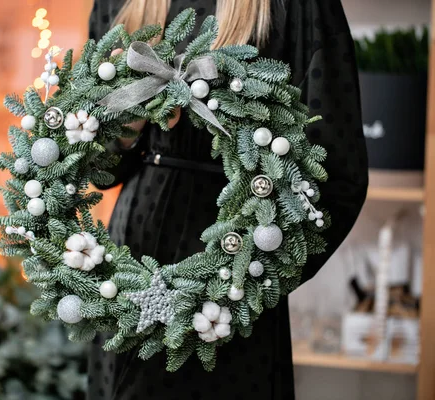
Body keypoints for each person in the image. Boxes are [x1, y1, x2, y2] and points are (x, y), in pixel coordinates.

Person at [87, 0, 368, 399]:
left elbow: (337, 174)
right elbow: (102, 165)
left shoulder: (300, 6)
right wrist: (124, 124)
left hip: (236, 275)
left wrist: (251, 280)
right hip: (130, 266)